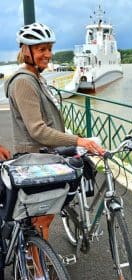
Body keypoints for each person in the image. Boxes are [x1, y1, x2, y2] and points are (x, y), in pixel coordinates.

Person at [5, 22, 104, 278]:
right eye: (41, 49)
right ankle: (38, 268)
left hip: (46, 157)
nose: (48, 54)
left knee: (42, 218)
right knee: (41, 220)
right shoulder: (24, 82)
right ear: (26, 51)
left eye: (49, 49)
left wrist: (71, 143)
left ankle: (34, 255)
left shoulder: (35, 77)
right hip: (35, 160)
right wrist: (78, 140)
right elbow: (37, 130)